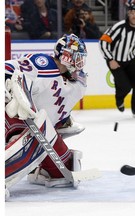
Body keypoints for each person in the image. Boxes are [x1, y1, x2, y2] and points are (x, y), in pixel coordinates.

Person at [5, 34, 88, 196]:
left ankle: (42, 170)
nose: (79, 61)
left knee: (66, 171)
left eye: (81, 57)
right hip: (13, 119)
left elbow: (59, 113)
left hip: (36, 129)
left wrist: (66, 122)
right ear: (64, 54)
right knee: (39, 130)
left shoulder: (78, 82)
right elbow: (8, 68)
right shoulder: (43, 64)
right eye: (76, 56)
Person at [99, 3, 135, 118]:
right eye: (132, 13)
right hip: (115, 60)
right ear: (128, 13)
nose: (134, 15)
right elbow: (103, 41)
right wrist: (110, 59)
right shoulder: (119, 27)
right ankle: (119, 99)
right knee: (125, 86)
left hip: (131, 59)